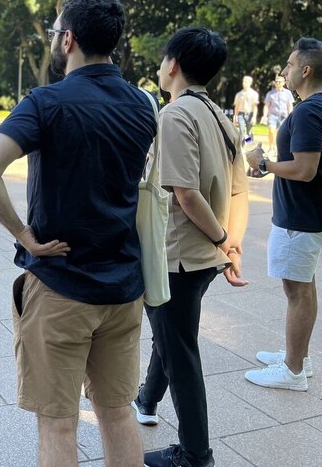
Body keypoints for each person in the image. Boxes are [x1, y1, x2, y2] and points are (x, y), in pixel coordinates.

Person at [0, 0, 154, 467]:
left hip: (60, 286)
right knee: (117, 413)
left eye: (54, 31)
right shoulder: (142, 105)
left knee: (58, 423)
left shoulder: (46, 102)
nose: (54, 39)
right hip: (124, 286)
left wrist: (24, 235)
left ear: (68, 39)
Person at [134, 29, 249, 467]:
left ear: (174, 64)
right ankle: (146, 400)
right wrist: (231, 245)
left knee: (180, 352)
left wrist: (223, 241)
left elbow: (184, 193)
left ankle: (196, 455)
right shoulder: (221, 116)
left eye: (164, 59)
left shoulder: (175, 114)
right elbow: (239, 192)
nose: (161, 66)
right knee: (174, 337)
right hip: (204, 257)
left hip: (177, 256)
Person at [244, 38, 322, 391]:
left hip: (299, 217)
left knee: (296, 291)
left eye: (289, 65)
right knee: (304, 288)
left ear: (305, 70)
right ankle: (299, 358)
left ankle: (293, 370)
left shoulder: (310, 111)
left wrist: (263, 163)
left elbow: (305, 169)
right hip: (308, 215)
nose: (284, 71)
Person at [263, 74, 294, 157]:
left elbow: (289, 105)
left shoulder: (288, 93)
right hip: (273, 115)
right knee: (271, 131)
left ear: (283, 83)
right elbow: (266, 105)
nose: (277, 83)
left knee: (281, 134)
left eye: (279, 82)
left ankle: (278, 150)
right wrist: (264, 116)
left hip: (284, 116)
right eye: (276, 82)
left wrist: (291, 115)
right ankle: (271, 148)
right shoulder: (270, 93)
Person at [233, 75, 259, 141]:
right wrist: (235, 116)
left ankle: (249, 144)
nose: (244, 83)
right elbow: (237, 106)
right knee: (242, 131)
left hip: (250, 114)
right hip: (241, 114)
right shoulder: (239, 94)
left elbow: (255, 107)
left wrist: (254, 117)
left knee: (249, 132)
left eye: (246, 82)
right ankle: (243, 146)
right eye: (243, 81)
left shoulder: (254, 94)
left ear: (250, 83)